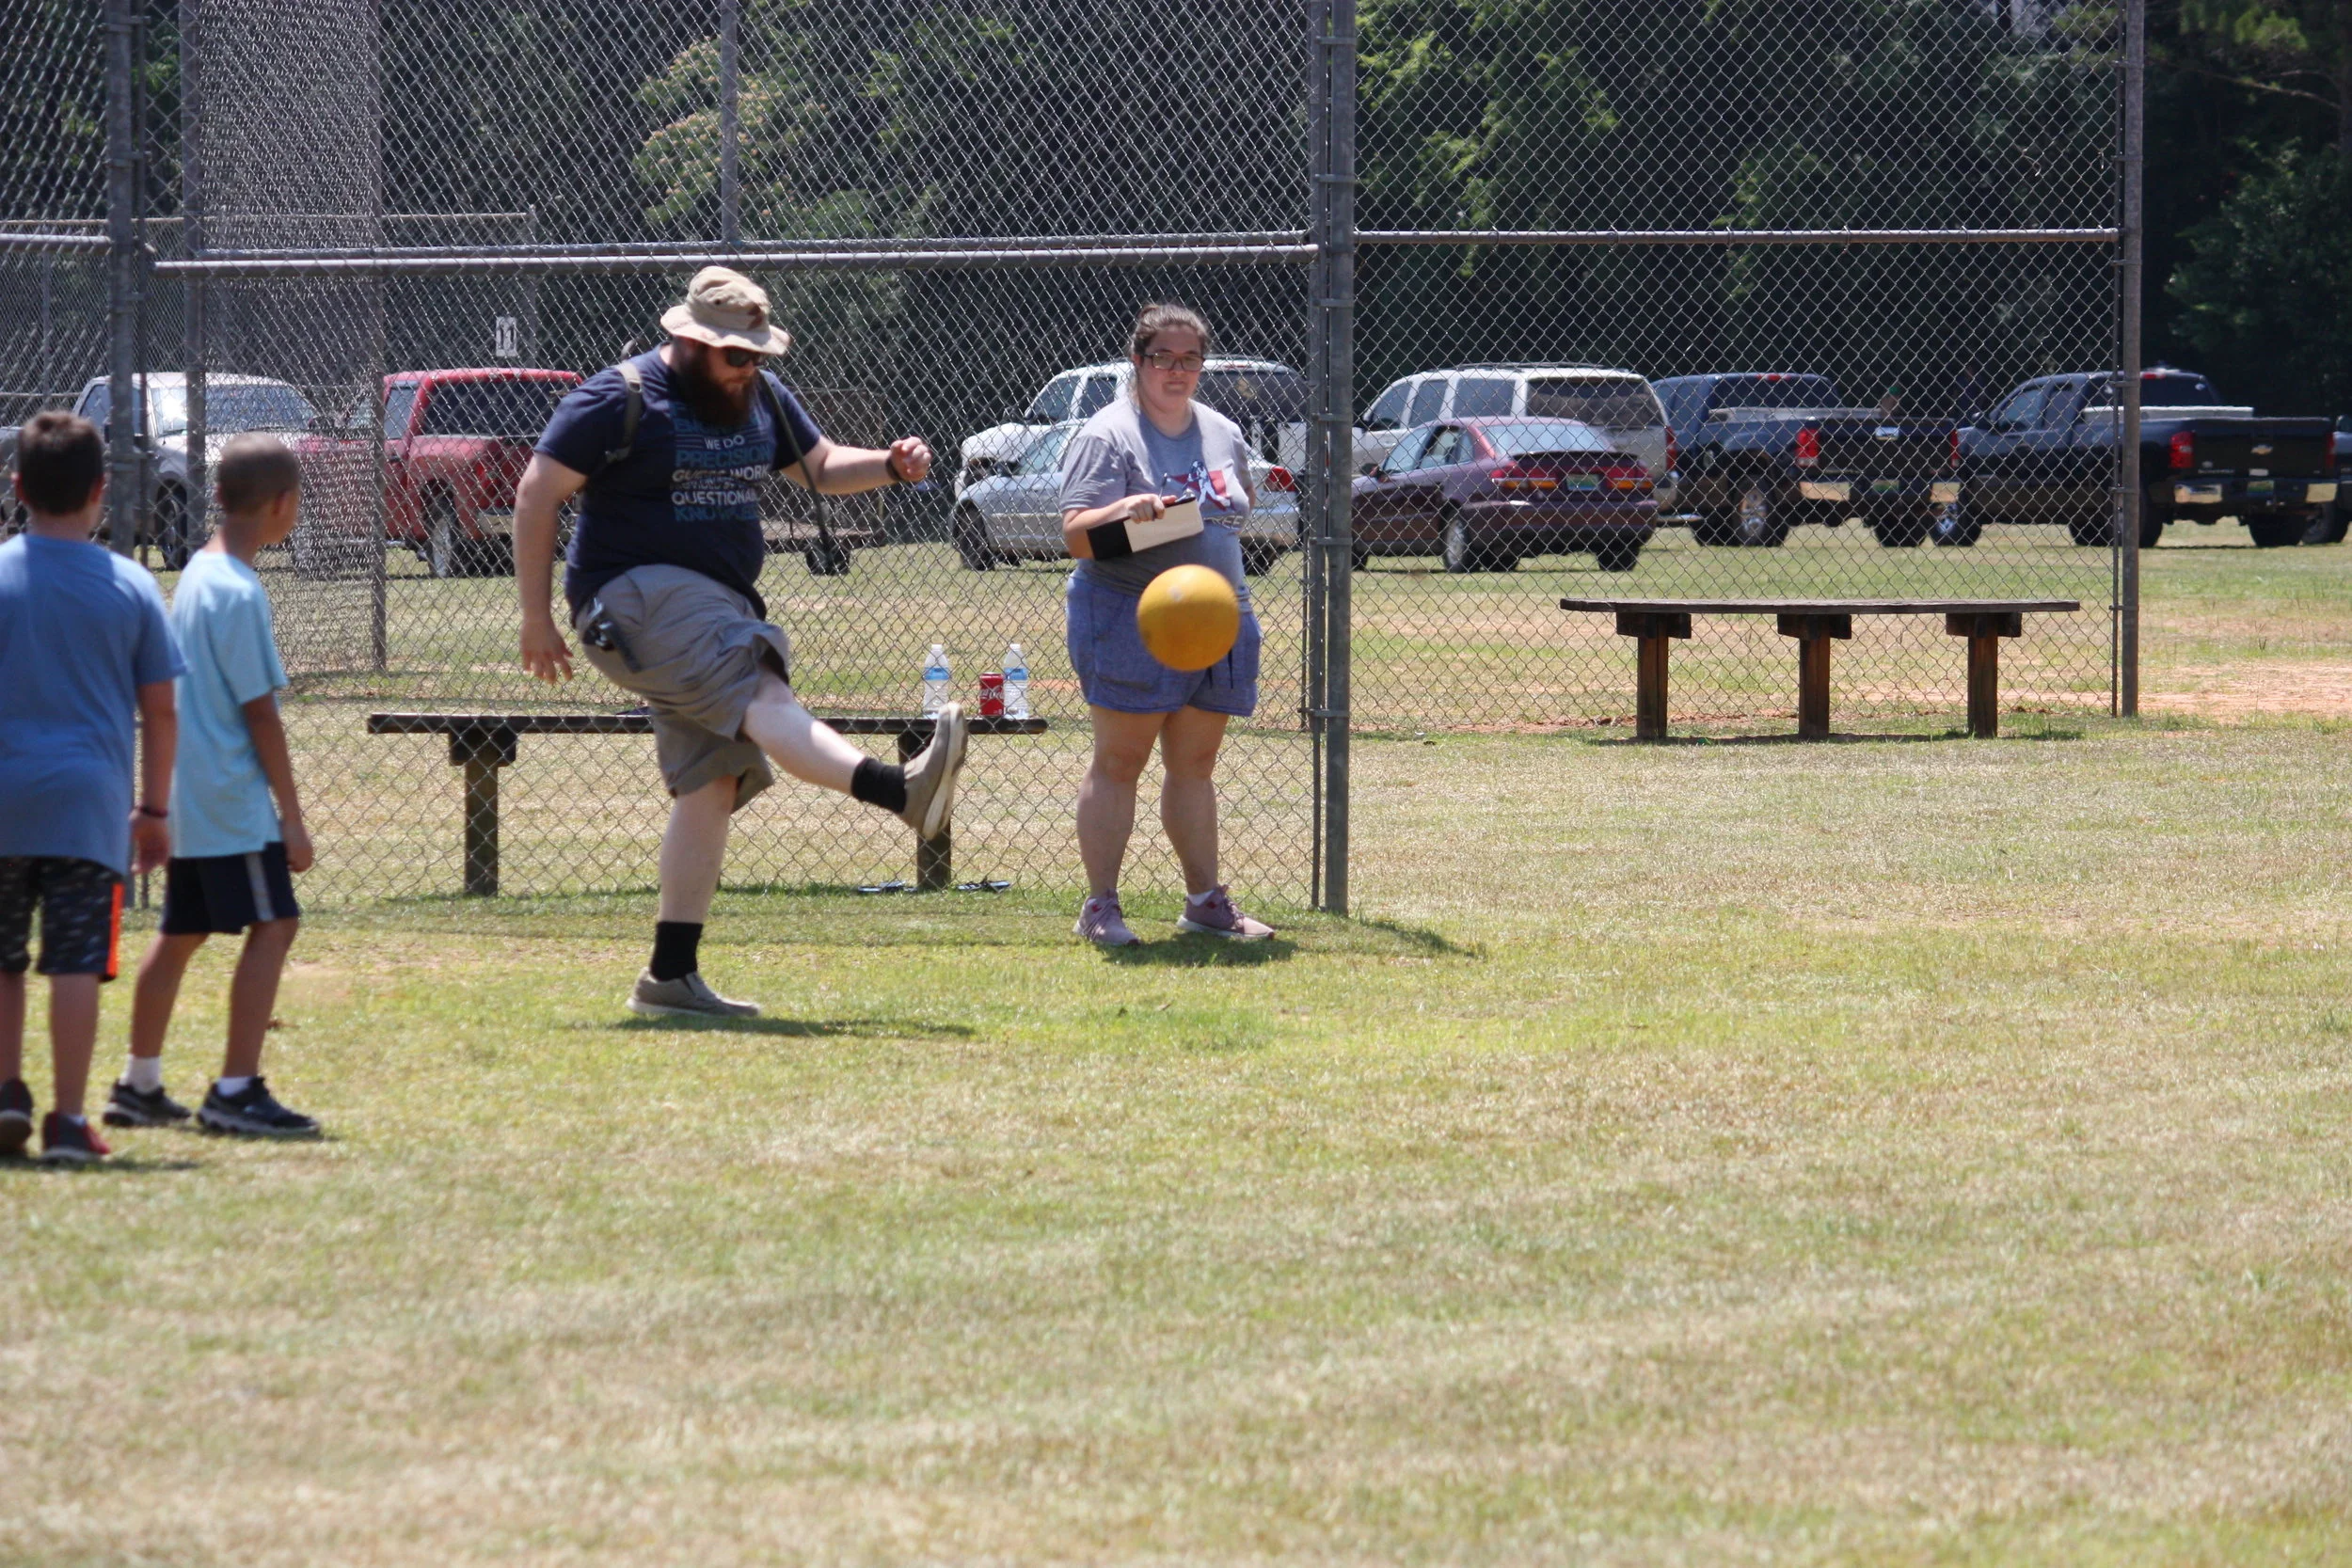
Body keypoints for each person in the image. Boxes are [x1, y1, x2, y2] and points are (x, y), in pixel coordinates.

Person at [512, 266, 966, 1018]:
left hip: (709, 605)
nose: (747, 367)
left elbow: (818, 468)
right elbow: (536, 491)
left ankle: (670, 976)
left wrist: (887, 465)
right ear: (687, 341)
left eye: (756, 355)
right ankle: (899, 790)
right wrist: (534, 617)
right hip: (632, 598)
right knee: (762, 686)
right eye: (733, 354)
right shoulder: (616, 397)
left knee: (710, 782)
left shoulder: (760, 396)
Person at [109, 434, 319, 1138]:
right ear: (282, 505)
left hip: (190, 793)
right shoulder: (239, 589)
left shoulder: (199, 571)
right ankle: (235, 1089)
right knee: (276, 922)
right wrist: (290, 815)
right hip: (229, 798)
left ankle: (138, 1084)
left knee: (179, 933)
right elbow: (261, 714)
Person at [1058, 303, 1275, 947]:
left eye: (1190, 359)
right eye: (1163, 358)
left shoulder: (1221, 430)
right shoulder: (1109, 434)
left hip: (1217, 618)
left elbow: (1236, 508)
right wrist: (1128, 507)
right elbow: (1075, 535)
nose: (1177, 371)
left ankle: (1205, 901)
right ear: (1138, 361)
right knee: (1121, 759)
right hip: (1129, 617)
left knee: (1197, 762)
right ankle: (1101, 906)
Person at [0, 411, 182, 1164]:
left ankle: (7, 1091)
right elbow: (162, 708)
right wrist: (154, 809)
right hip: (88, 806)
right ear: (103, 491)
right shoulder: (130, 585)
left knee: (4, 959)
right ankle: (69, 1121)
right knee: (75, 961)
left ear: (16, 488)